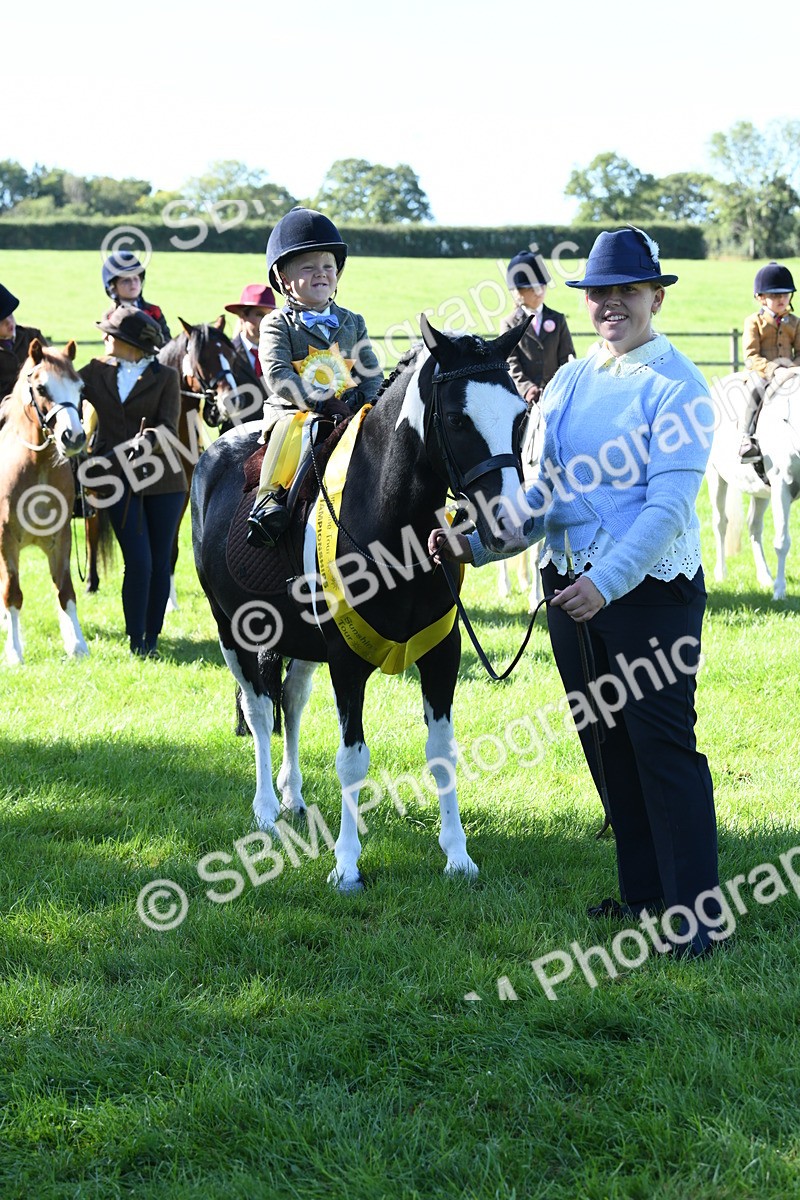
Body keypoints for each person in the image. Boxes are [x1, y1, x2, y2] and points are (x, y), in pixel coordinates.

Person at [429, 227, 722, 959]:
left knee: (662, 747)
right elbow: (541, 496)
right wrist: (478, 542)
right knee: (605, 743)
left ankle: (698, 918)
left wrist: (606, 582)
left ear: (656, 296)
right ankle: (645, 895)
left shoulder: (679, 385)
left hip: (648, 594)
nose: (612, 304)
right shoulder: (570, 380)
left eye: (628, 291)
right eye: (601, 293)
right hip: (571, 593)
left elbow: (667, 508)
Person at [246, 207, 383, 547]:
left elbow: (370, 372)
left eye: (327, 267)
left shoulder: (353, 321)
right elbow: (277, 373)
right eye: (308, 268)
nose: (321, 274)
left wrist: (369, 405)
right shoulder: (277, 324)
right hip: (295, 412)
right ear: (283, 278)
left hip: (349, 413)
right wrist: (322, 401)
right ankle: (269, 500)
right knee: (296, 431)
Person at [79, 305, 187, 658]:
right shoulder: (93, 372)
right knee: (138, 561)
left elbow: (170, 428)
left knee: (158, 561)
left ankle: (150, 640)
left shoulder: (167, 377)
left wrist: (149, 439)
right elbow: (61, 387)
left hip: (164, 482)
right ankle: (134, 639)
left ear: (130, 343)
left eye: (111, 333)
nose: (104, 337)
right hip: (114, 479)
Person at [739, 261, 800, 463]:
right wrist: (775, 370)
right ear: (761, 297)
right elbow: (751, 356)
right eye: (775, 295)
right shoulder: (754, 322)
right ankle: (747, 439)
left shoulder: (795, 322)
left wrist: (792, 369)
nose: (781, 299)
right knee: (756, 389)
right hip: (762, 372)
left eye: (785, 294)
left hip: (791, 372)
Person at [500, 250, 575, 406]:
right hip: (522, 400)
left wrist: (558, 387)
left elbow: (566, 357)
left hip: (555, 396)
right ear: (517, 292)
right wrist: (527, 388)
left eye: (541, 285)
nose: (539, 291)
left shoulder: (558, 319)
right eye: (532, 287)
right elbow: (510, 362)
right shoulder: (509, 323)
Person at [101, 250, 171, 342]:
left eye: (136, 279)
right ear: (113, 288)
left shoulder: (154, 311)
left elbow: (168, 342)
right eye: (126, 280)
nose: (133, 284)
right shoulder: (110, 316)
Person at [0, 283, 48, 401]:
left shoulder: (32, 336)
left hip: (39, 402)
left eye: (10, 315)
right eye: (2, 321)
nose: (9, 322)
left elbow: (52, 367)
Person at [224, 282, 277, 386]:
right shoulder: (227, 354)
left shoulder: (280, 351)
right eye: (259, 315)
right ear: (243, 316)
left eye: (270, 316)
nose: (266, 321)